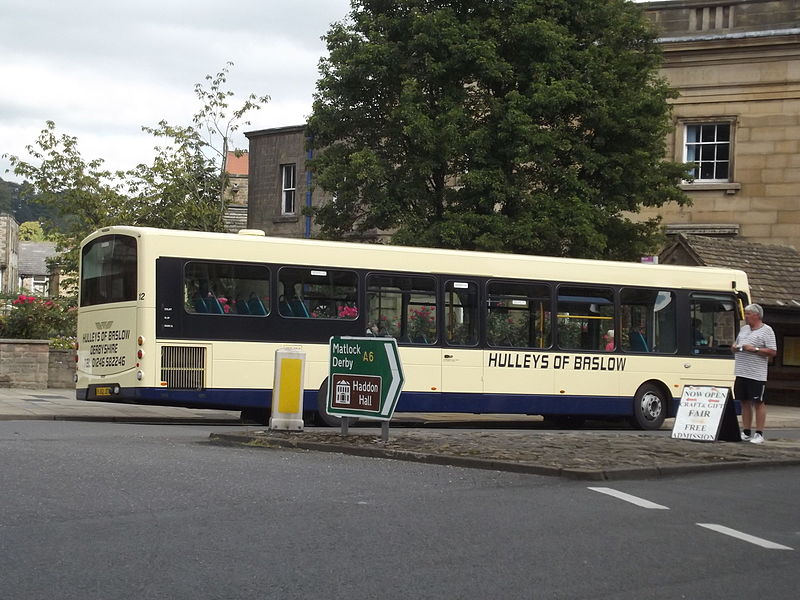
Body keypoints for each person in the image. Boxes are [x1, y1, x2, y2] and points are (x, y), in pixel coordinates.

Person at [732, 303, 777, 444]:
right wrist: (734, 348)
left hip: (756, 373)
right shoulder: (744, 329)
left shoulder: (767, 330)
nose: (746, 317)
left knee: (758, 402)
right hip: (741, 371)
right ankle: (746, 431)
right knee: (744, 402)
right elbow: (736, 344)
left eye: (748, 314)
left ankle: (759, 433)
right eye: (745, 314)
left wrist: (755, 349)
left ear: (757, 315)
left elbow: (772, 351)